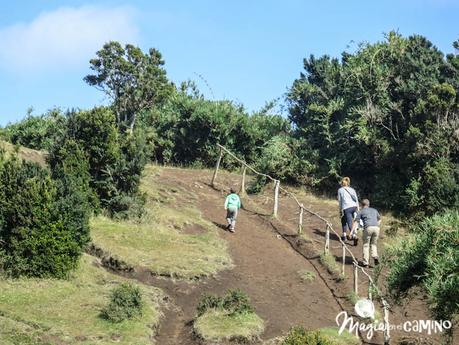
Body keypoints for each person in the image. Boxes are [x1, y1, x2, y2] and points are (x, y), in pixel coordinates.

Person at [352, 199, 381, 267]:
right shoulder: (374, 210)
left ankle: (365, 263)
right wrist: (377, 225)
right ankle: (375, 256)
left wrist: (351, 232)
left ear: (362, 205)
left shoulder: (361, 211)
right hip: (376, 228)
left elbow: (356, 221)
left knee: (366, 245)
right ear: (369, 204)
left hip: (368, 228)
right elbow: (379, 219)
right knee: (373, 244)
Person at [337, 177, 359, 242]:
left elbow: (340, 201)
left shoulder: (340, 190)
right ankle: (344, 236)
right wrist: (357, 207)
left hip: (346, 207)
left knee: (349, 222)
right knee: (343, 219)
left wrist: (340, 209)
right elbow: (356, 199)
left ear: (342, 183)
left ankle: (354, 236)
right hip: (354, 206)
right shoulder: (352, 189)